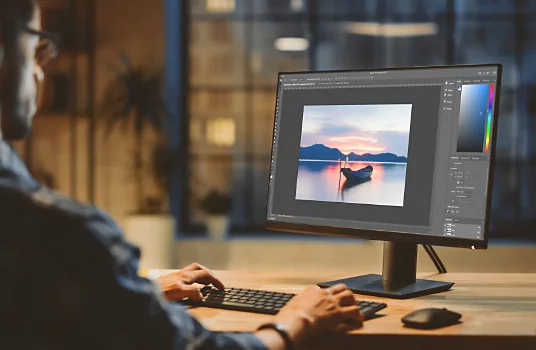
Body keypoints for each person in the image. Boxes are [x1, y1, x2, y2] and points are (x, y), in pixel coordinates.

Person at [0, 1, 363, 349]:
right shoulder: (59, 234)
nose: (39, 70)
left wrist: (134, 293)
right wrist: (297, 319)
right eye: (36, 48)